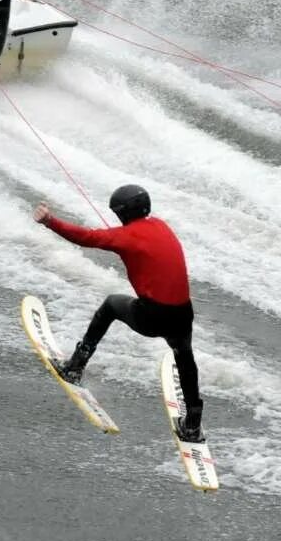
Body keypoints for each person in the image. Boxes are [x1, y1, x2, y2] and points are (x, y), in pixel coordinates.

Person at [33, 185, 205, 442]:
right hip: (183, 313)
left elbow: (86, 237)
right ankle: (192, 423)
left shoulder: (126, 236)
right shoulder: (161, 225)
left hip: (153, 316)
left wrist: (49, 221)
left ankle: (75, 367)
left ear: (122, 213)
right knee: (184, 355)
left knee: (111, 305)